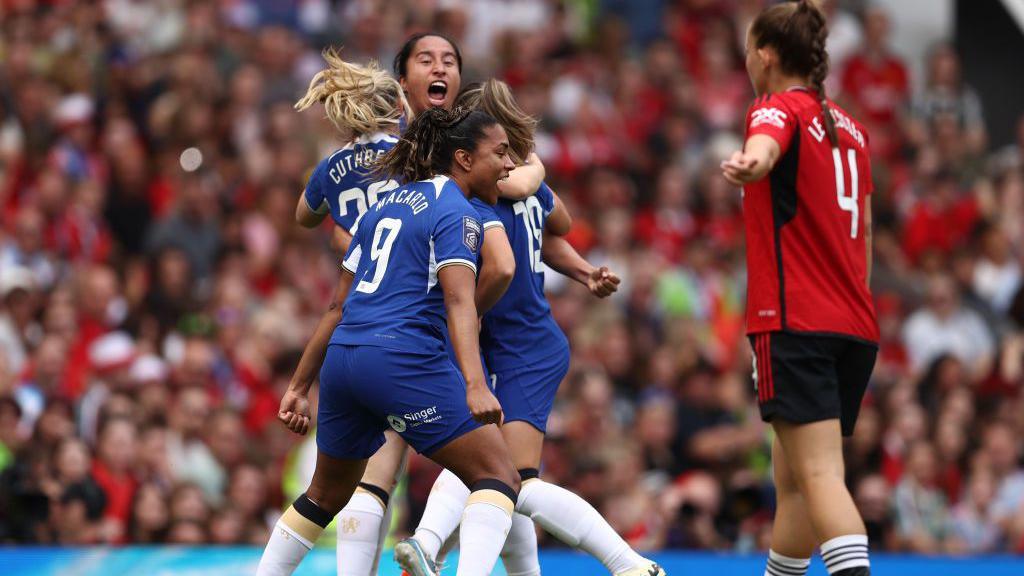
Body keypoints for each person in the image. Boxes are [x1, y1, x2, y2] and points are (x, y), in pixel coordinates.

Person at [292, 35, 543, 576]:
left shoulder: (381, 156)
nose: (441, 68)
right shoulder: (443, 165)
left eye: (450, 60)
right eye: (427, 60)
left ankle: (422, 550)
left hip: (363, 328)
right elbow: (498, 262)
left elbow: (312, 217)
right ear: (401, 81)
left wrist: (345, 234)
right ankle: (431, 548)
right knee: (501, 472)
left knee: (366, 479)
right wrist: (466, 319)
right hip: (426, 335)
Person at [395, 79, 662, 576]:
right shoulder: (527, 184)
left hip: (524, 349)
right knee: (502, 481)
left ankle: (628, 564)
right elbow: (553, 228)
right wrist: (584, 271)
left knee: (504, 478)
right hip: (509, 347)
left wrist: (463, 316)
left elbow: (511, 259)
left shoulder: (477, 199)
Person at [720, 2, 878, 576]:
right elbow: (865, 241)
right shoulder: (853, 130)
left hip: (795, 323)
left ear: (764, 55)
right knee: (794, 484)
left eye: (746, 48)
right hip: (853, 328)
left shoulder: (772, 106)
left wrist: (750, 164)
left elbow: (765, 145)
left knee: (819, 478)